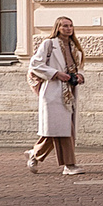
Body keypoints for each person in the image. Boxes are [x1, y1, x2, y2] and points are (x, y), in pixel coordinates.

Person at [25, 16, 85, 176]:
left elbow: (77, 67)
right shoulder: (49, 44)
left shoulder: (74, 47)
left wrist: (79, 76)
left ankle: (35, 153)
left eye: (70, 25)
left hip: (68, 92)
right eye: (64, 26)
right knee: (63, 130)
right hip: (53, 91)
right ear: (57, 27)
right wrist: (56, 74)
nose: (68, 28)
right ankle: (70, 165)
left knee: (57, 130)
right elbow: (35, 64)